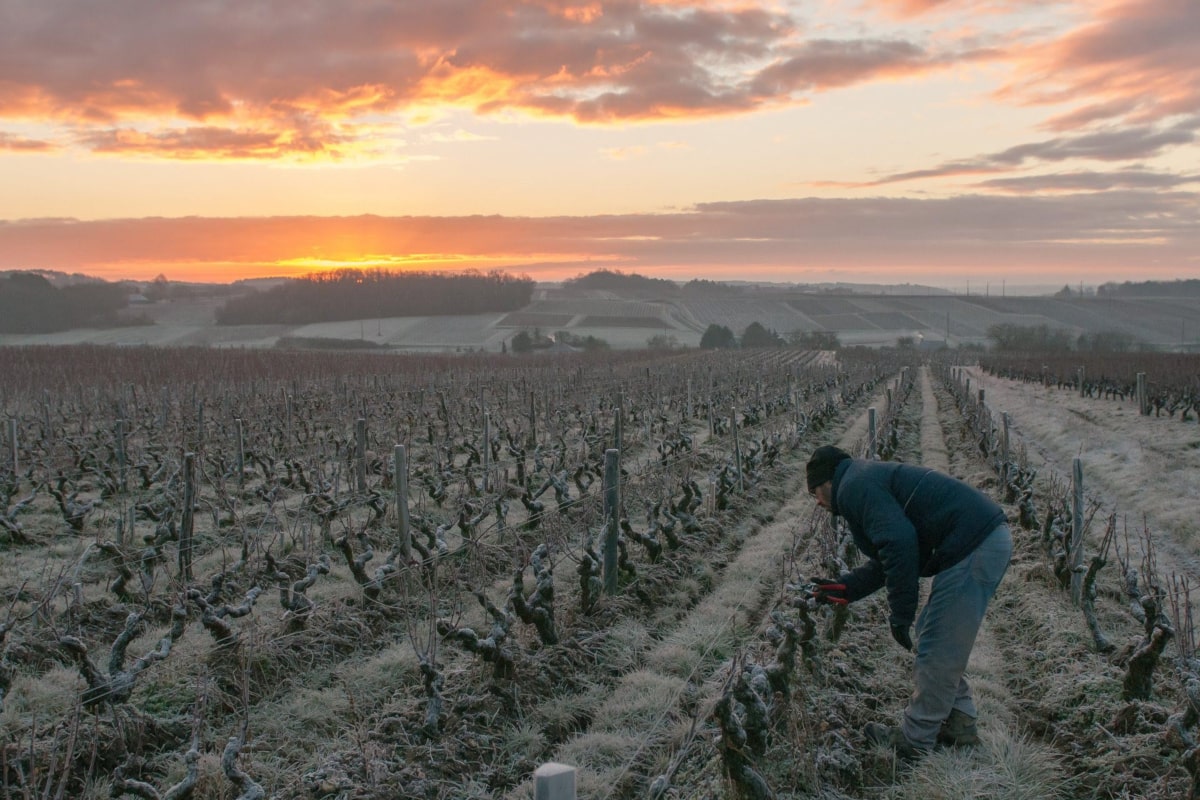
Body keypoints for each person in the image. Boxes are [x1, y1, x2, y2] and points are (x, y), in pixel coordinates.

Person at [804, 444, 1012, 758]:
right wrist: (848, 588)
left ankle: (915, 741)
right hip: (979, 540)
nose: (817, 503)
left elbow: (899, 543)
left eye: (814, 493)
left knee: (937, 643)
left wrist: (901, 612)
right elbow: (890, 554)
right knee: (934, 634)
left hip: (975, 545)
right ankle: (959, 723)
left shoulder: (852, 487)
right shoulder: (860, 479)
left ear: (827, 482)